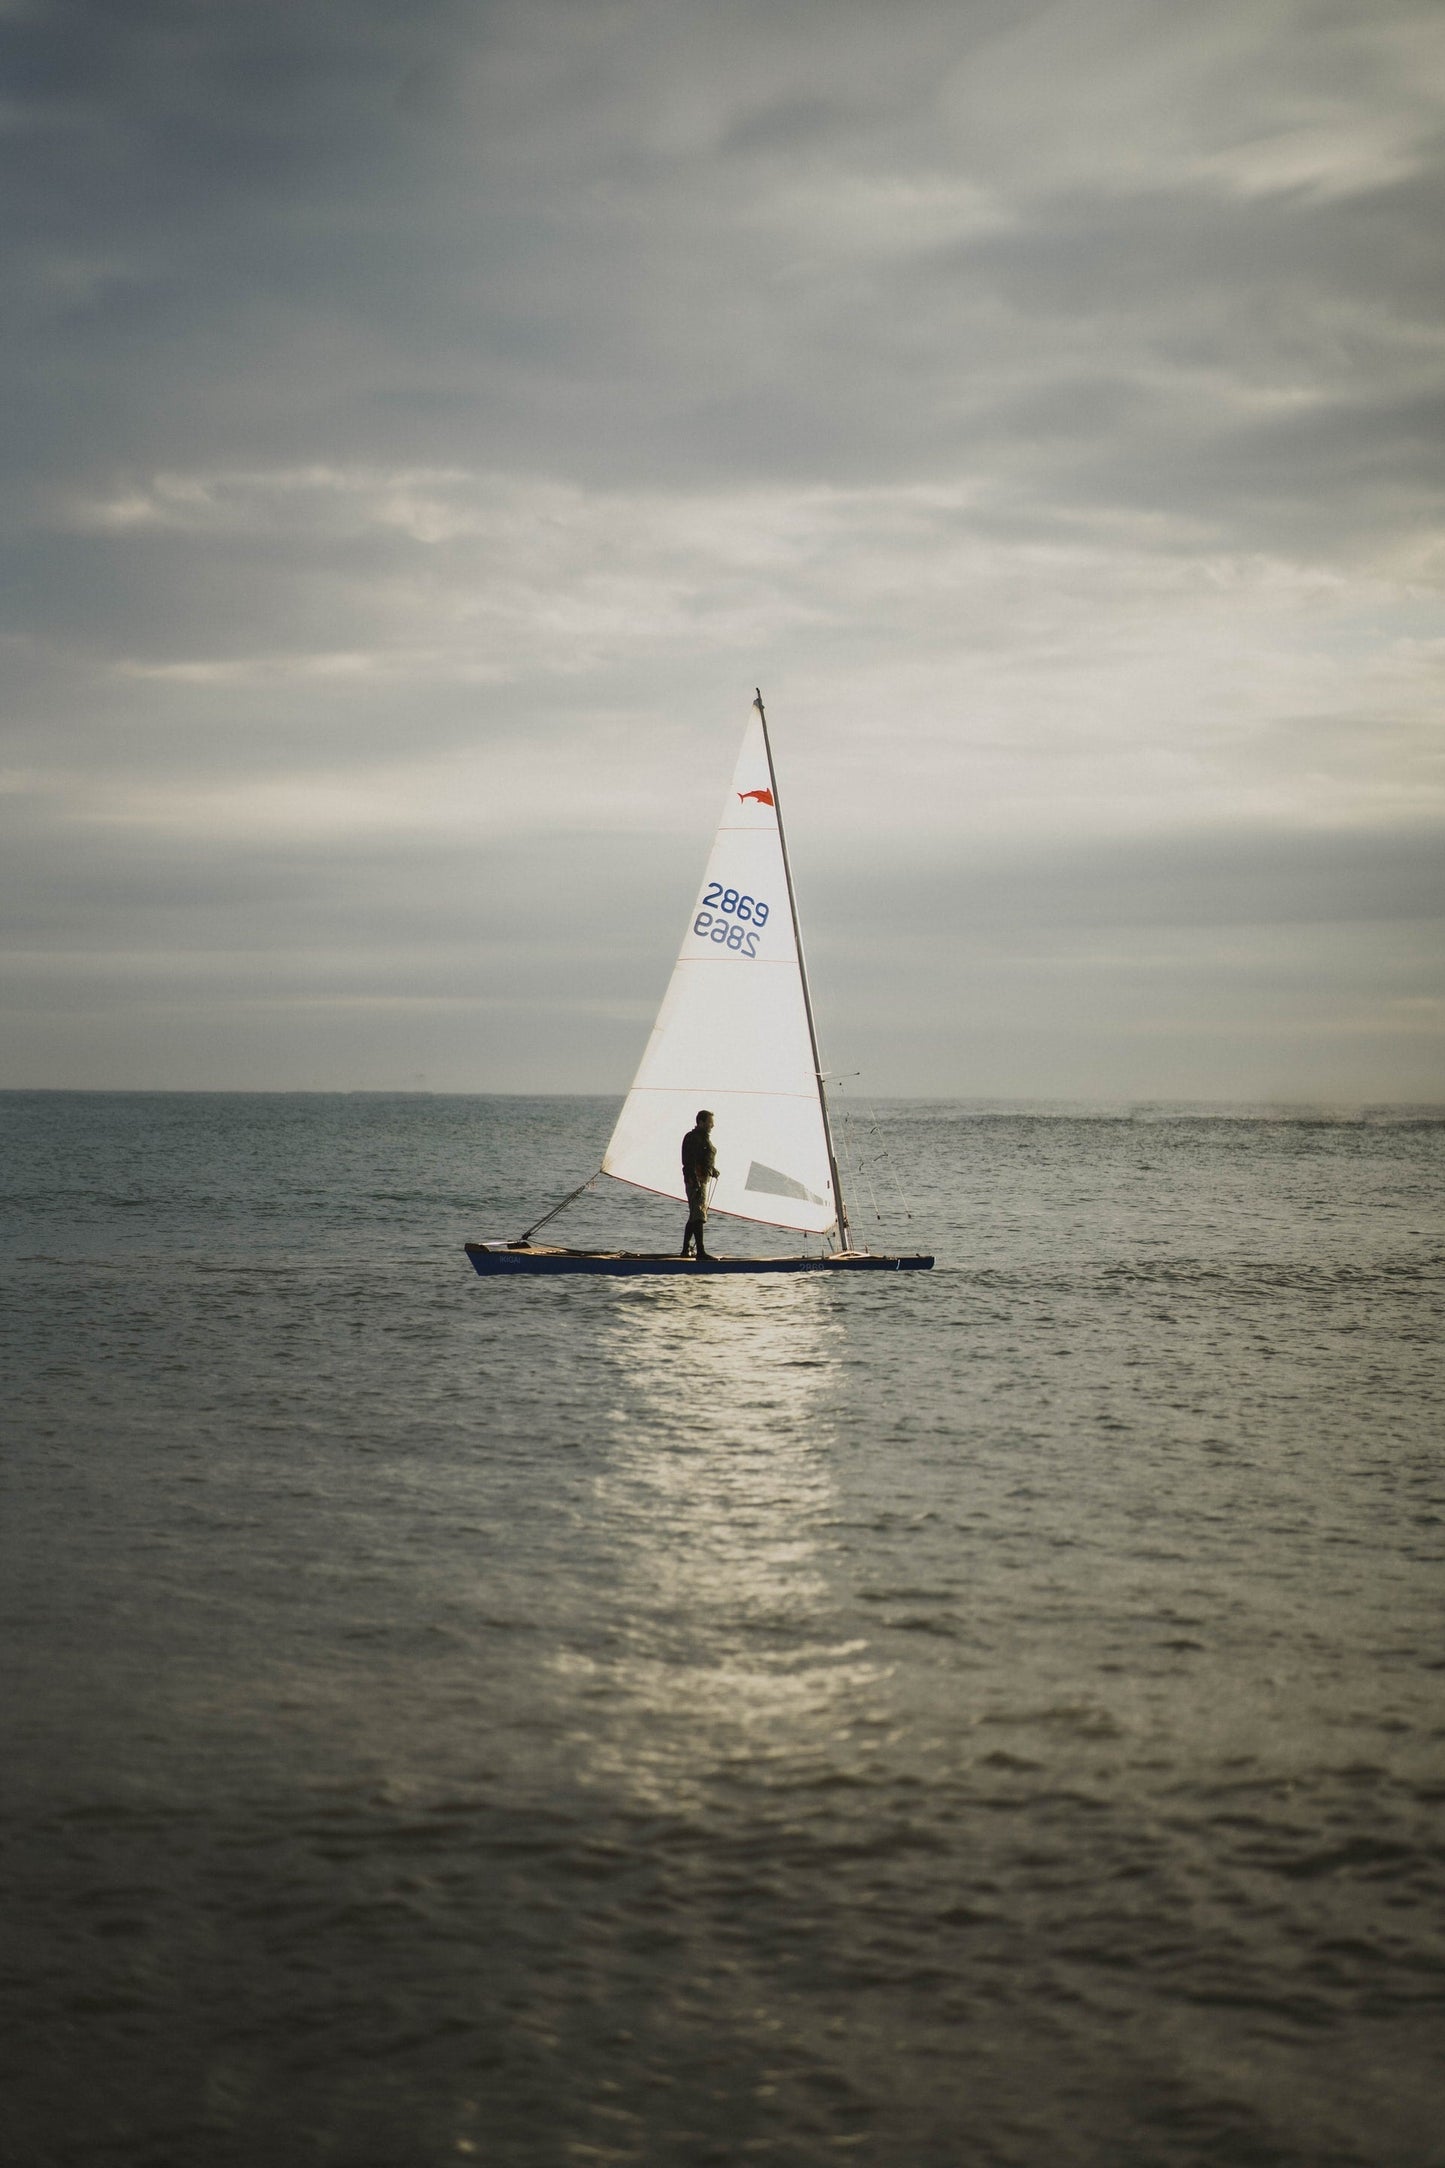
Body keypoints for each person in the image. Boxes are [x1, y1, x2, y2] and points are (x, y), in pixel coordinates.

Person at [680, 1109, 717, 1259]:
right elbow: (690, 1163)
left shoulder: (702, 1137)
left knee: (694, 1216)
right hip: (696, 1182)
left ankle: (685, 1250)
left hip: (701, 1180)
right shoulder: (693, 1138)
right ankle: (700, 1252)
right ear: (701, 1122)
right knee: (699, 1216)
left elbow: (702, 1159)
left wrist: (712, 1170)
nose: (712, 1126)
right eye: (710, 1122)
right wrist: (695, 1183)